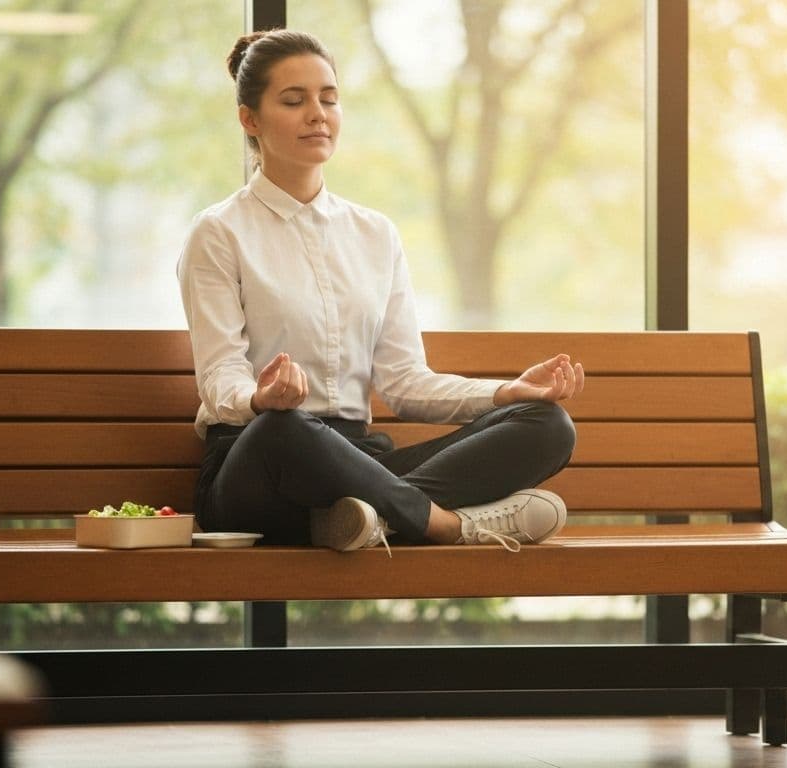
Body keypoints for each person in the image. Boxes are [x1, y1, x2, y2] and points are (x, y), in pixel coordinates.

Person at [177, 29, 584, 554]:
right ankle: (444, 525)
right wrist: (259, 399)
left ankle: (364, 520)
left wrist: (505, 393)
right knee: (284, 428)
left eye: (329, 99)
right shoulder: (218, 232)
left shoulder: (375, 234)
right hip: (260, 466)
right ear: (249, 119)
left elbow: (404, 382)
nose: (317, 114)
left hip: (360, 467)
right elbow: (218, 376)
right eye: (294, 101)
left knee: (547, 424)